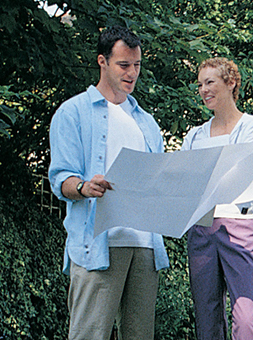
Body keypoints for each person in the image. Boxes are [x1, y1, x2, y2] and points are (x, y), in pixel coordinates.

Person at [48, 25, 169, 340]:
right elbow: (61, 178)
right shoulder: (73, 112)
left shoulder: (147, 122)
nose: (132, 73)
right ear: (102, 61)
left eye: (137, 65)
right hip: (98, 245)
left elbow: (159, 181)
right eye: (124, 65)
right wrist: (85, 187)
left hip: (145, 246)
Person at [182, 57, 253, 340]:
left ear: (231, 83)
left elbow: (242, 174)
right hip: (202, 227)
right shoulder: (194, 135)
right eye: (199, 84)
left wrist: (205, 174)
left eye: (210, 82)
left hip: (242, 227)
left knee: (246, 318)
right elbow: (184, 180)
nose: (203, 90)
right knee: (206, 316)